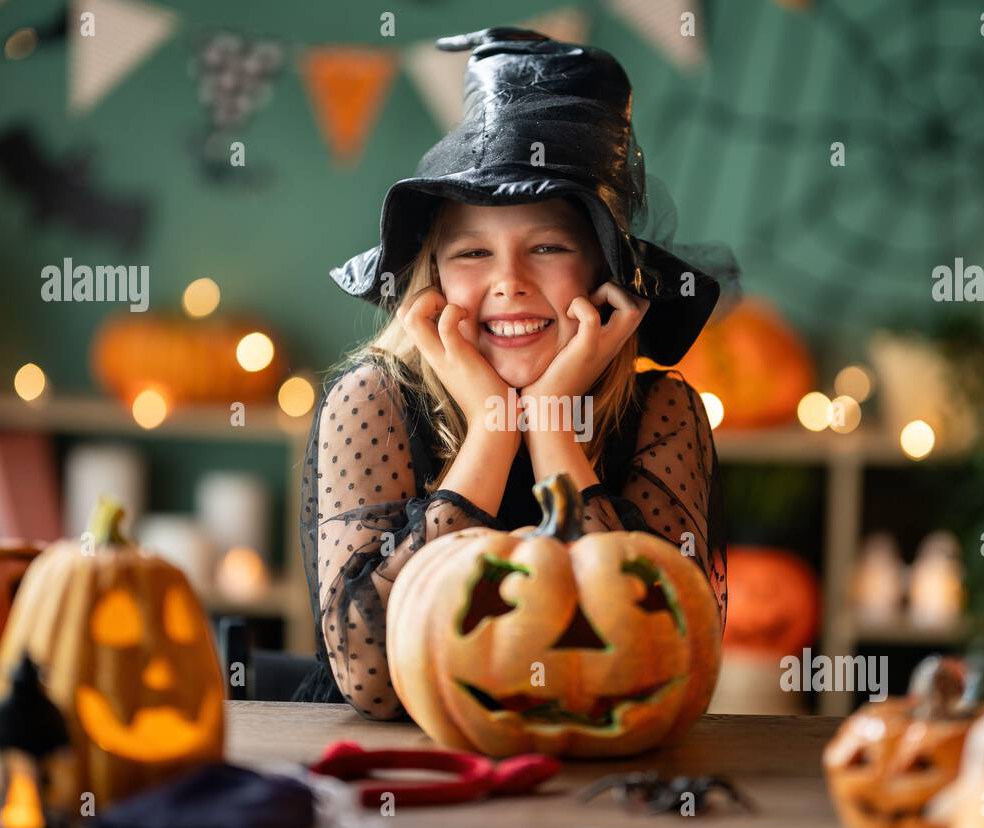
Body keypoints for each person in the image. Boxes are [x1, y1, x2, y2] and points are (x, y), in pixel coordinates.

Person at [296, 26, 740, 718]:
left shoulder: (663, 414)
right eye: (472, 252)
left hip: (600, 783)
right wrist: (493, 429)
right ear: (434, 272)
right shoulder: (373, 398)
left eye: (548, 245)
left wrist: (554, 426)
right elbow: (374, 677)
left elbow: (668, 660)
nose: (507, 282)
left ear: (606, 274)